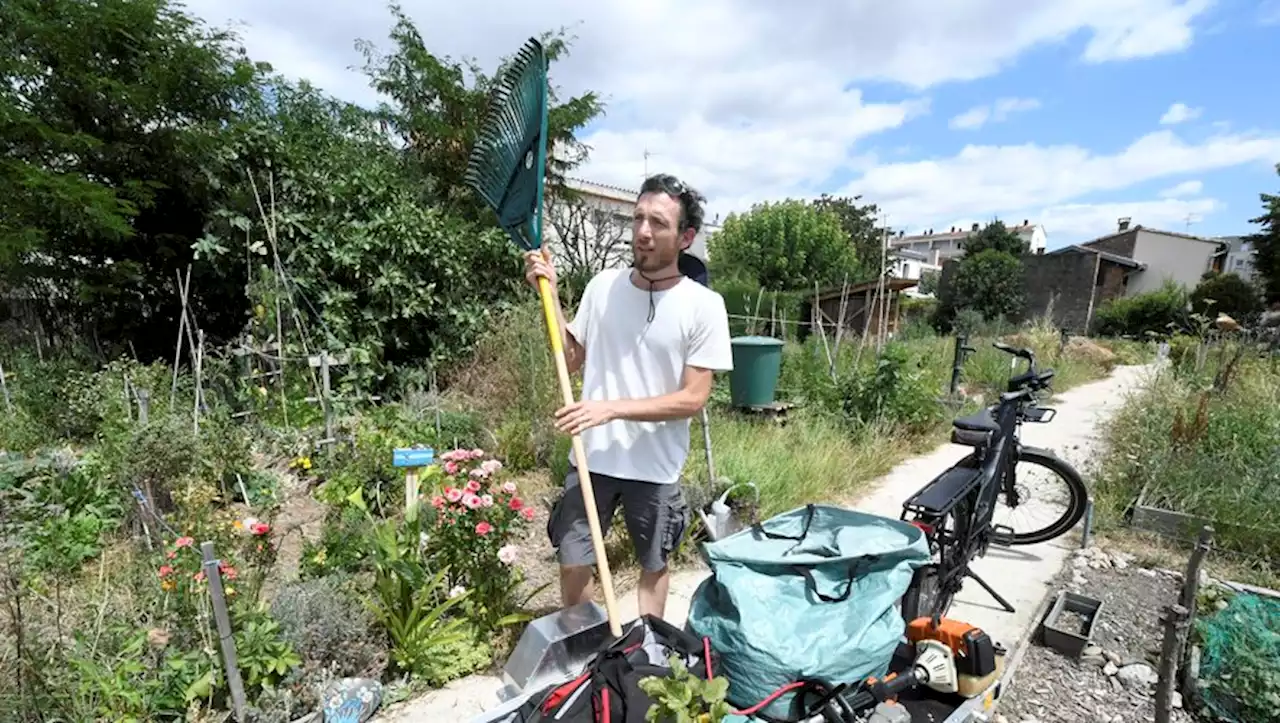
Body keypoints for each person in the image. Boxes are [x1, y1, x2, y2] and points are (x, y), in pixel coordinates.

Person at [523, 173, 733, 620]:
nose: (642, 231)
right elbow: (572, 357)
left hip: (655, 468)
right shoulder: (603, 286)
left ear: (685, 237)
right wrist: (552, 295)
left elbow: (693, 398)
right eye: (638, 218)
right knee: (574, 560)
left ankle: (647, 653)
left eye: (658, 222)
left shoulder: (704, 306)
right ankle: (587, 651)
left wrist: (610, 409)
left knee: (653, 565)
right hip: (590, 458)